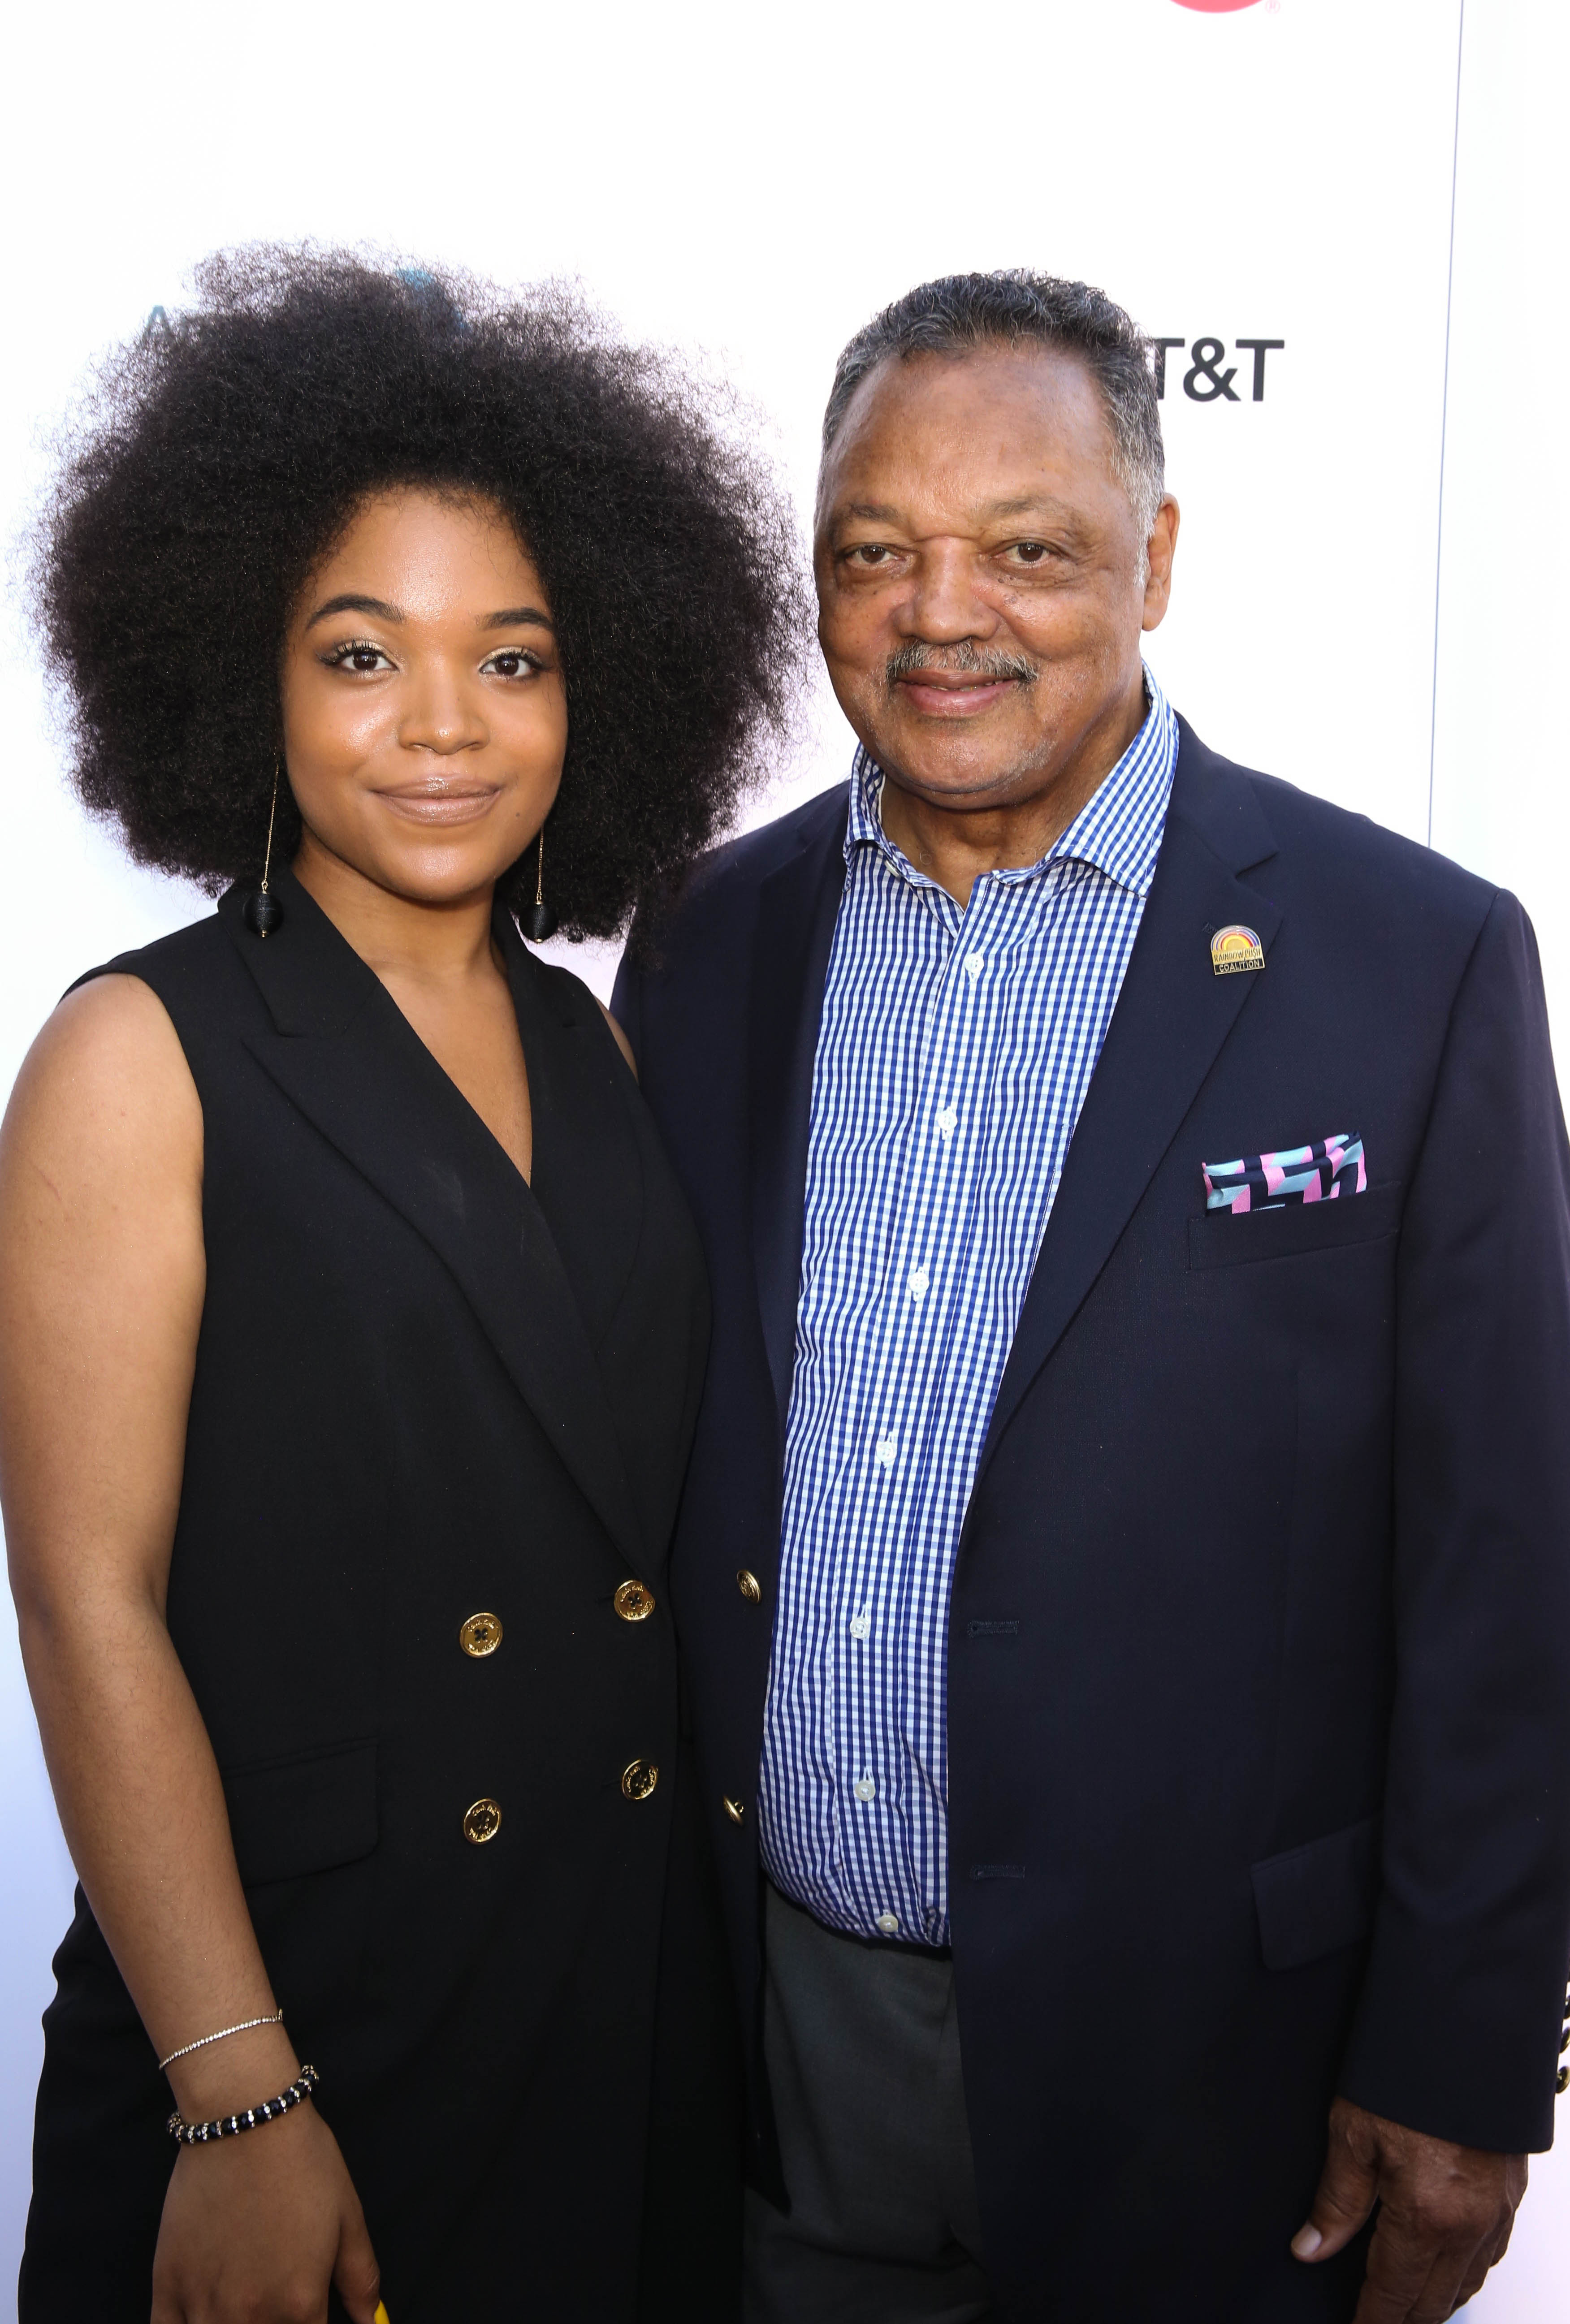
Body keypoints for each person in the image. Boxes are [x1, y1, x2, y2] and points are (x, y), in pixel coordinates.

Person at [611, 271, 1570, 2323]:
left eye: (1028, 550)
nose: (941, 614)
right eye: (875, 550)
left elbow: (1512, 1560)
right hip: (779, 2049)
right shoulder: (707, 942)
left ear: (1154, 559)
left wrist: (1466, 2052)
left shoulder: (1414, 964)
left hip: (1223, 2080)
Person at [0, 250, 802, 2324]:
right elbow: (87, 1601)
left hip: (613, 2008)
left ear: (596, 686)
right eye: (364, 656)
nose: (445, 724)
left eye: (512, 660)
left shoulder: (602, 1043)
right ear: (243, 676)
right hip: (300, 2015)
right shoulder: (138, 1052)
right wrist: (235, 2097)